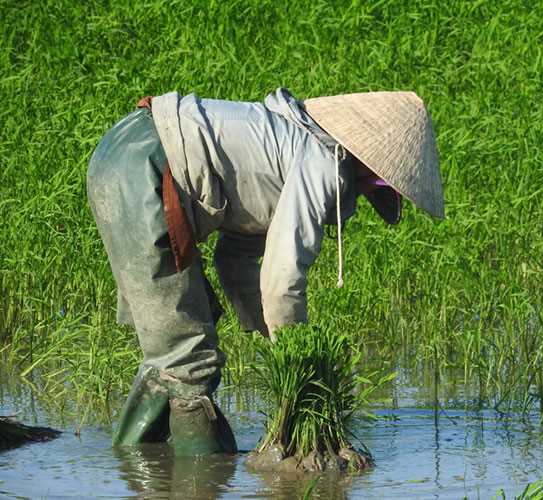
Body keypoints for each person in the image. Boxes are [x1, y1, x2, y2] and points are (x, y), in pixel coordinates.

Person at [86, 87, 444, 455]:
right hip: (144, 165)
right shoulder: (323, 164)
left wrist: (269, 334)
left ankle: (135, 463)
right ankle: (197, 479)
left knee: (184, 334)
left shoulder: (289, 145)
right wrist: (298, 360)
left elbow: (235, 259)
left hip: (125, 149)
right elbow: (282, 281)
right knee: (188, 363)